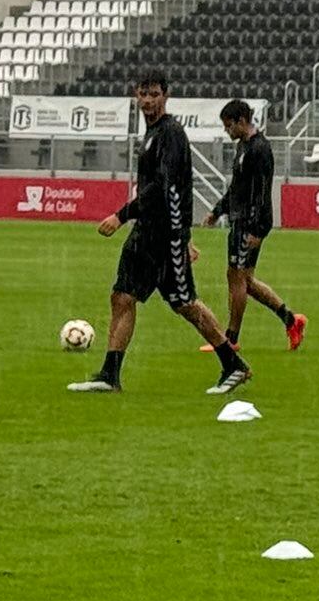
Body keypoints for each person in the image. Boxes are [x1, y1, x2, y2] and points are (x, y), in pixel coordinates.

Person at [67, 72, 252, 395]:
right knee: (122, 296)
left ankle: (233, 364)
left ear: (166, 95)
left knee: (186, 303)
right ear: (135, 95)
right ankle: (110, 374)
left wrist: (122, 215)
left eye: (154, 94)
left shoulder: (171, 134)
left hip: (164, 236)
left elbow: (163, 189)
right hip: (148, 232)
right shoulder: (152, 133)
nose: (148, 100)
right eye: (143, 93)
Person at [200, 99, 305, 354]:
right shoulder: (244, 147)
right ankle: (291, 320)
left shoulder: (259, 149)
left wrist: (260, 230)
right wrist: (218, 210)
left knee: (235, 277)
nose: (227, 131)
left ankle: (231, 339)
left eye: (229, 126)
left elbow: (261, 193)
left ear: (241, 121)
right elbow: (237, 187)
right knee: (244, 279)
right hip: (239, 218)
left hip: (248, 223)